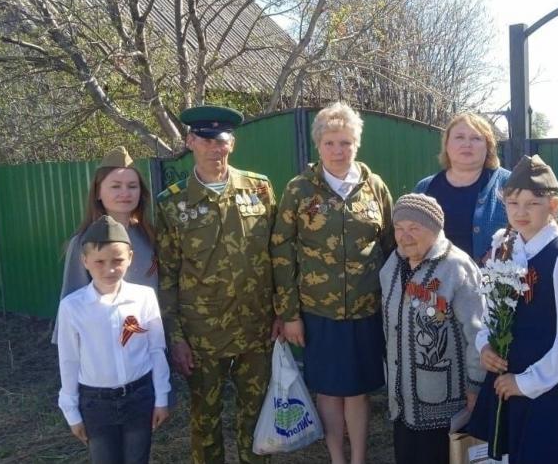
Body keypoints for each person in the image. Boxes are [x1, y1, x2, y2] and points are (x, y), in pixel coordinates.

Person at [271, 102, 394, 464]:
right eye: (330, 143)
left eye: (345, 142)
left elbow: (388, 245)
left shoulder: (375, 187)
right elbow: (282, 252)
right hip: (318, 311)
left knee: (357, 391)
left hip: (365, 308)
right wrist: (289, 313)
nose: (338, 151)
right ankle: (336, 456)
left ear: (357, 143)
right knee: (328, 390)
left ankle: (358, 457)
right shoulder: (299, 190)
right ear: (318, 145)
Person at [156, 106, 280, 464]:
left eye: (221, 140)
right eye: (205, 139)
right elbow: (168, 276)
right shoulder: (172, 203)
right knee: (205, 420)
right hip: (202, 335)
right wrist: (176, 337)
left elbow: (277, 255)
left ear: (232, 143)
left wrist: (281, 312)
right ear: (190, 141)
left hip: (256, 329)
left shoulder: (259, 189)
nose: (214, 147)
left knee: (256, 417)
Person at [466, 155, 558, 464]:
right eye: (513, 203)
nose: (521, 212)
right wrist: (484, 343)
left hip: (552, 389)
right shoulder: (505, 246)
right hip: (511, 383)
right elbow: (491, 308)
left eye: (533, 203)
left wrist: (526, 383)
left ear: (553, 206)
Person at [379, 193, 485, 464]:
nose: (405, 236)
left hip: (444, 403)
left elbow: (477, 333)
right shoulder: (392, 265)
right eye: (399, 228)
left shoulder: (456, 266)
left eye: (414, 228)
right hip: (402, 401)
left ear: (435, 229)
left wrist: (476, 387)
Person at [56, 215, 170, 464]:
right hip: (97, 404)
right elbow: (69, 360)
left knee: (137, 458)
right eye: (99, 261)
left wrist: (161, 397)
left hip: (139, 397)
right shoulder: (72, 307)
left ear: (130, 258)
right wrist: (71, 411)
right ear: (84, 261)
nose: (109, 269)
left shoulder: (144, 297)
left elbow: (156, 349)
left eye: (117, 260)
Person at [53, 146, 157, 343]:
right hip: (105, 345)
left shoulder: (150, 236)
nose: (125, 193)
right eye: (116, 186)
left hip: (149, 341)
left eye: (132, 186)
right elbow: (72, 298)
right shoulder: (85, 241)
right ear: (98, 193)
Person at [413, 112, 510, 264]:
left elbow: (528, 232)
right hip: (434, 283)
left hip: (488, 283)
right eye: (459, 137)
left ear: (488, 146)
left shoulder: (508, 183)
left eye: (476, 138)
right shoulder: (424, 188)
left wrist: (503, 250)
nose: (467, 144)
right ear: (447, 145)